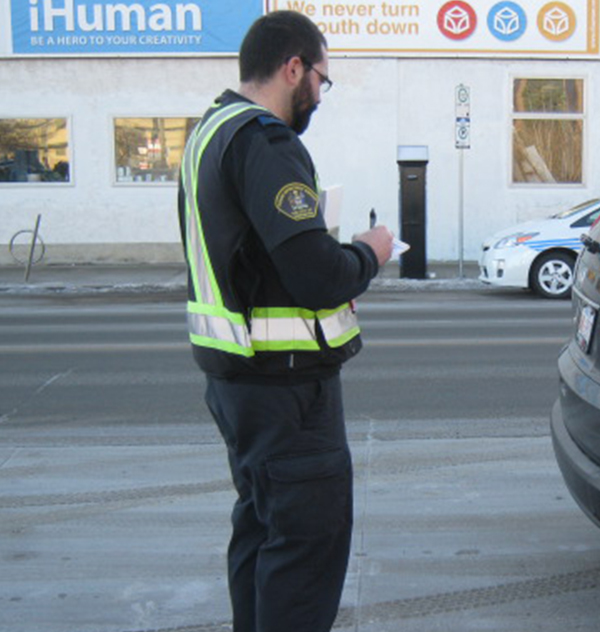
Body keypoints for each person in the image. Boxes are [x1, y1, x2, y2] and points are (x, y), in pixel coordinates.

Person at [176, 10, 394, 632]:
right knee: (305, 551)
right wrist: (368, 252)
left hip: (239, 384)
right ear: (293, 67)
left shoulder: (209, 131)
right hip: (286, 391)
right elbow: (316, 273)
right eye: (322, 80)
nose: (320, 96)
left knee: (263, 534)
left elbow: (260, 257)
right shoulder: (265, 141)